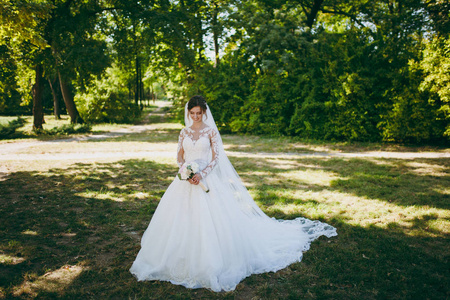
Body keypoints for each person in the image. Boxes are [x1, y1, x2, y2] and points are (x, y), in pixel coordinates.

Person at [130, 95, 337, 292]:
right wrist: (186, 171)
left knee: (213, 221)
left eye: (198, 113)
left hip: (206, 178)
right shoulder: (184, 132)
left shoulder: (210, 132)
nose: (195, 117)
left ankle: (211, 260)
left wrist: (201, 174)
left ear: (204, 112)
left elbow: (216, 158)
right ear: (188, 112)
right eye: (192, 113)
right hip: (185, 181)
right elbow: (179, 156)